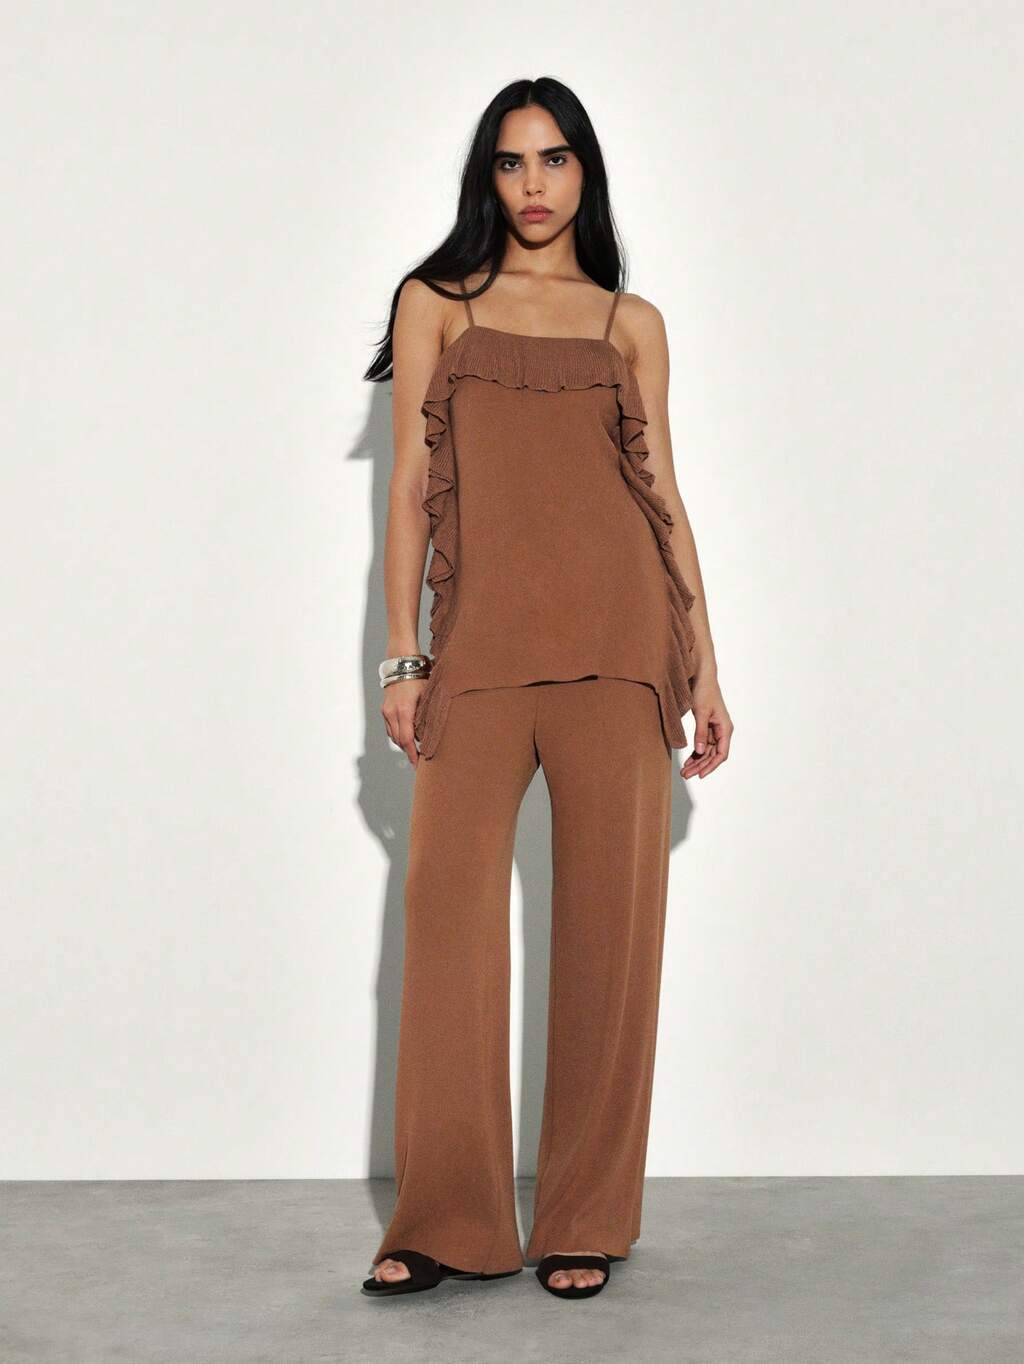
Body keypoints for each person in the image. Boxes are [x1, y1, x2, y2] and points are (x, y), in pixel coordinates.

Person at [361, 75, 733, 1302]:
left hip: (620, 649)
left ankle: (584, 1214)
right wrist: (403, 654)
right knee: (448, 923)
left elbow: (662, 495)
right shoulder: (437, 303)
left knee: (610, 939)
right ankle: (446, 1216)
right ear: (488, 176)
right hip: (476, 654)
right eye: (512, 161)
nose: (533, 184)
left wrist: (705, 662)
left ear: (585, 173)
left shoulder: (629, 322)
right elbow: (408, 489)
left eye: (555, 158)